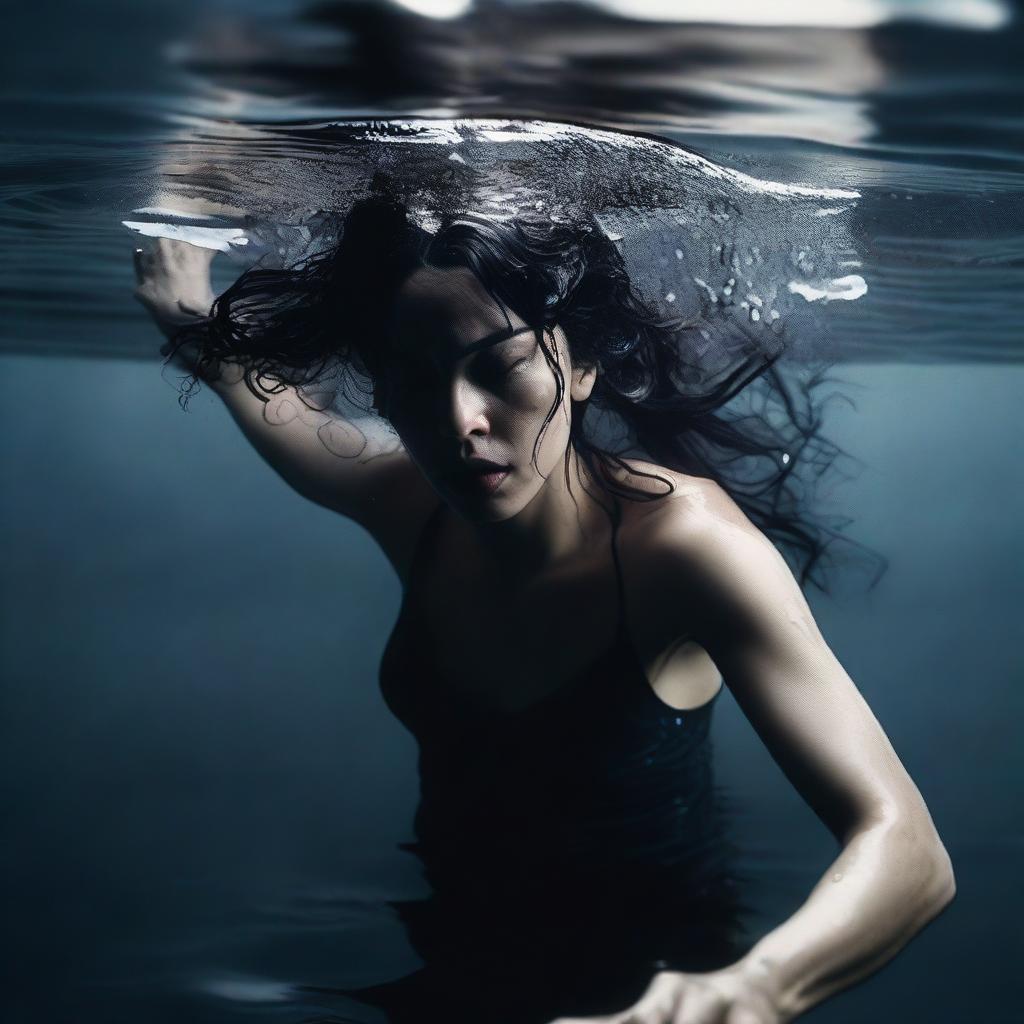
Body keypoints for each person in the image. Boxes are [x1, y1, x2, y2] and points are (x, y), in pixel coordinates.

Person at [133, 196, 955, 1024]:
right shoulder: (411, 503)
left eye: (502, 365)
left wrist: (753, 989)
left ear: (583, 365)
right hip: (451, 968)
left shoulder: (687, 548)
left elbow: (911, 851)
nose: (461, 423)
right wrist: (187, 313)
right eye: (415, 377)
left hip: (653, 993)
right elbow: (283, 412)